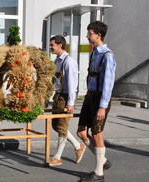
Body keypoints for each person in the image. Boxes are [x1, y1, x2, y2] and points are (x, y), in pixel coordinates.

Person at [77, 21, 116, 182]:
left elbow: (108, 83)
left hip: (100, 98)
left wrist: (102, 106)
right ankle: (103, 160)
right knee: (81, 132)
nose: (87, 35)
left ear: (98, 35)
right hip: (90, 96)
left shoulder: (107, 55)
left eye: (89, 33)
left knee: (97, 134)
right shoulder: (94, 53)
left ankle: (99, 173)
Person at [47, 35, 86, 166]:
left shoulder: (69, 61)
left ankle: (57, 157)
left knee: (62, 127)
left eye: (52, 45)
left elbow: (72, 84)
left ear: (60, 45)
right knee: (55, 126)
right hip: (58, 96)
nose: (50, 47)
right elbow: (55, 81)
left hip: (65, 97)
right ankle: (78, 146)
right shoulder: (57, 61)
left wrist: (70, 102)